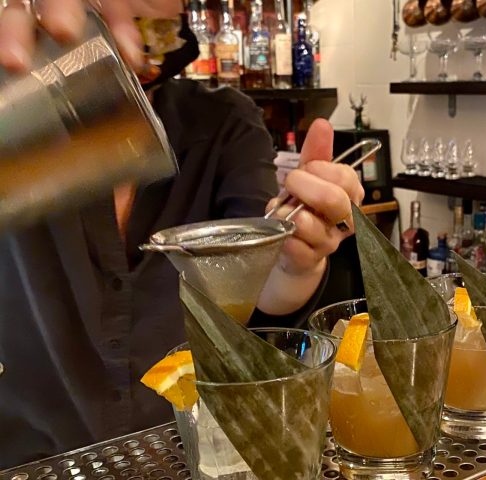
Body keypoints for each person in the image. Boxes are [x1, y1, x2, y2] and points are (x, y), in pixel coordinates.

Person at [0, 0, 364, 469]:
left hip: (187, 452)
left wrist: (295, 260)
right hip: (30, 459)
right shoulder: (13, 115)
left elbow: (264, 282)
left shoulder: (225, 123)